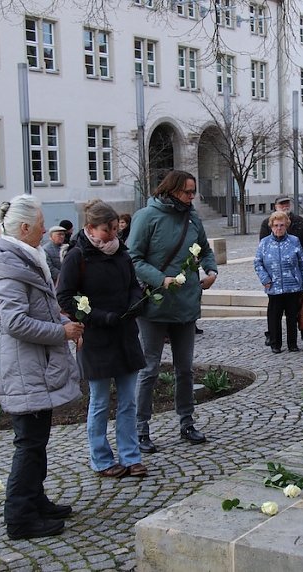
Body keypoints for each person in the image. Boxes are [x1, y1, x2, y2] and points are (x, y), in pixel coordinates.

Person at [0, 194, 83, 540]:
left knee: (36, 441)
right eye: (40, 225)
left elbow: (33, 310)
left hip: (35, 366)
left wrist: (61, 318)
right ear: (24, 228)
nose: (45, 231)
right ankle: (20, 516)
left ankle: (34, 500)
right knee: (28, 443)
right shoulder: (9, 266)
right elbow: (14, 322)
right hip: (25, 368)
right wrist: (61, 331)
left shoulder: (22, 258)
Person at [127, 170, 218, 454]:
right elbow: (134, 258)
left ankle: (186, 422)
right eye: (187, 192)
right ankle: (140, 429)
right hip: (155, 304)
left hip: (186, 303)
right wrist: (159, 279)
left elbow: (204, 250)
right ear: (172, 190)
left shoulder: (192, 217)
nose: (192, 197)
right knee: (150, 368)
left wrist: (211, 269)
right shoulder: (147, 216)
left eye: (194, 192)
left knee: (185, 369)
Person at [57, 199, 148, 479]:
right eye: (107, 230)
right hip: (97, 338)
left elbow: (133, 284)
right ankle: (101, 459)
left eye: (115, 228)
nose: (113, 234)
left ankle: (131, 456)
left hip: (124, 334)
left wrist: (137, 301)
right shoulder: (77, 256)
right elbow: (65, 297)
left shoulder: (121, 253)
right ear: (90, 229)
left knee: (128, 401)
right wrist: (98, 316)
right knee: (98, 402)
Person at [259, 195, 303, 342]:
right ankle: (272, 336)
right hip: (275, 279)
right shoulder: (266, 224)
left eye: (286, 204)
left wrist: (299, 263)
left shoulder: (299, 222)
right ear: (275, 206)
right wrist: (266, 276)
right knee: (274, 311)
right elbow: (261, 255)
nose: (285, 206)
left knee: (298, 307)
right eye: (281, 204)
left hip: (293, 276)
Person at [254, 211, 303, 353]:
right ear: (271, 227)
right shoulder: (265, 243)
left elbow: (302, 263)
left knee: (292, 317)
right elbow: (258, 263)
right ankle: (275, 344)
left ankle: (292, 344)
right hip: (274, 286)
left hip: (292, 286)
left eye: (281, 225)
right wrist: (265, 278)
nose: (278, 228)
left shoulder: (294, 241)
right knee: (274, 317)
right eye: (275, 226)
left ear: (286, 226)